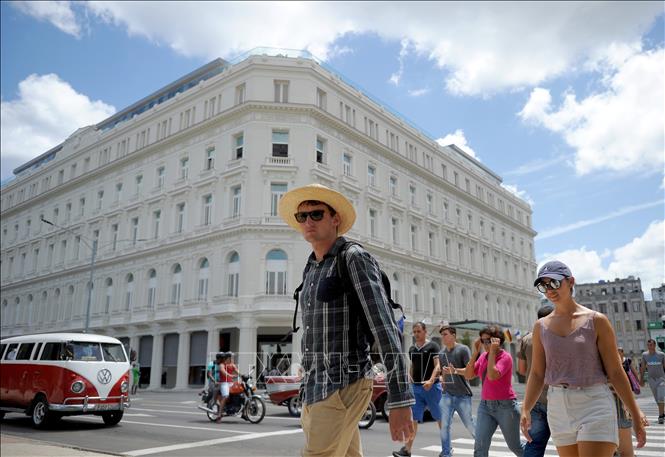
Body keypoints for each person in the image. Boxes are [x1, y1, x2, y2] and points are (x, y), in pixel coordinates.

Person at [278, 183, 415, 457]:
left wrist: (400, 398)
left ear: (335, 218)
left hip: (342, 384)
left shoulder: (353, 258)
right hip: (317, 386)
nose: (308, 221)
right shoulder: (312, 266)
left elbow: (384, 328)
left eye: (316, 214)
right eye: (301, 216)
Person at [521, 260, 647, 457]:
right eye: (543, 285)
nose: (549, 290)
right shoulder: (541, 327)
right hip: (558, 406)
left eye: (554, 283)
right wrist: (526, 408)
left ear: (571, 282)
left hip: (594, 402)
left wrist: (635, 413)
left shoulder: (596, 321)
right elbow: (537, 373)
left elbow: (615, 371)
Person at [459, 325, 524, 457]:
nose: (485, 344)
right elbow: (469, 375)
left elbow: (492, 375)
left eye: (488, 341)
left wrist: (493, 353)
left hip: (506, 407)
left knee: (515, 447)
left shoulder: (505, 357)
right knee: (480, 447)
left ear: (497, 340)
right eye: (483, 341)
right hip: (485, 406)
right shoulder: (483, 356)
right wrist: (475, 353)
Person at [393, 322, 442, 457]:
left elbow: (438, 366)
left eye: (418, 331)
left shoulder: (433, 346)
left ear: (425, 331)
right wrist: (409, 376)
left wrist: (431, 381)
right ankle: (407, 450)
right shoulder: (412, 348)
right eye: (414, 332)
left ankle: (446, 449)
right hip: (416, 388)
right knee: (413, 418)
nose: (416, 334)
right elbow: (413, 366)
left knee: (440, 418)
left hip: (432, 388)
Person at [517, 305, 553, 457]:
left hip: (535, 398)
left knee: (534, 443)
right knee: (569, 444)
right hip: (559, 396)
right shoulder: (561, 335)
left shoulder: (527, 339)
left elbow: (521, 370)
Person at [436, 325, 476, 457]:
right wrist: (442, 379)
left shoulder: (463, 350)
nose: (443, 337)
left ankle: (482, 447)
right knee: (444, 426)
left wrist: (455, 371)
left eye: (445, 334)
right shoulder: (441, 354)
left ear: (453, 335)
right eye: (442, 335)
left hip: (462, 395)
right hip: (447, 395)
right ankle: (446, 453)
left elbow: (471, 372)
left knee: (470, 425)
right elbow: (443, 372)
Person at [613, 348, 635, 457]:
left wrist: (635, 412)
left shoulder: (623, 363)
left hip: (620, 409)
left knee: (625, 452)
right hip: (605, 411)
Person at [640, 338, 665, 424]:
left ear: (654, 345)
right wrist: (641, 379)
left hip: (661, 379)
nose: (649, 347)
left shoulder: (661, 355)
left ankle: (660, 416)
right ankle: (663, 413)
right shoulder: (645, 355)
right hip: (651, 380)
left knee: (661, 397)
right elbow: (643, 367)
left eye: (651, 345)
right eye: (648, 345)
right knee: (657, 399)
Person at [218, 352, 238, 423]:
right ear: (228, 358)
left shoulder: (232, 365)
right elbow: (223, 372)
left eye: (232, 357)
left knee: (240, 391)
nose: (232, 359)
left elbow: (237, 371)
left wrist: (243, 375)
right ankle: (219, 414)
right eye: (231, 357)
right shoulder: (222, 365)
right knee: (225, 396)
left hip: (231, 383)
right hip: (224, 383)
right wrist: (230, 375)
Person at [207, 353, 224, 419]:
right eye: (222, 358)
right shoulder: (211, 364)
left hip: (220, 382)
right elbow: (209, 374)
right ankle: (213, 404)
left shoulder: (221, 365)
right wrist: (215, 381)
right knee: (216, 389)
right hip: (213, 382)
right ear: (219, 358)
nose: (223, 360)